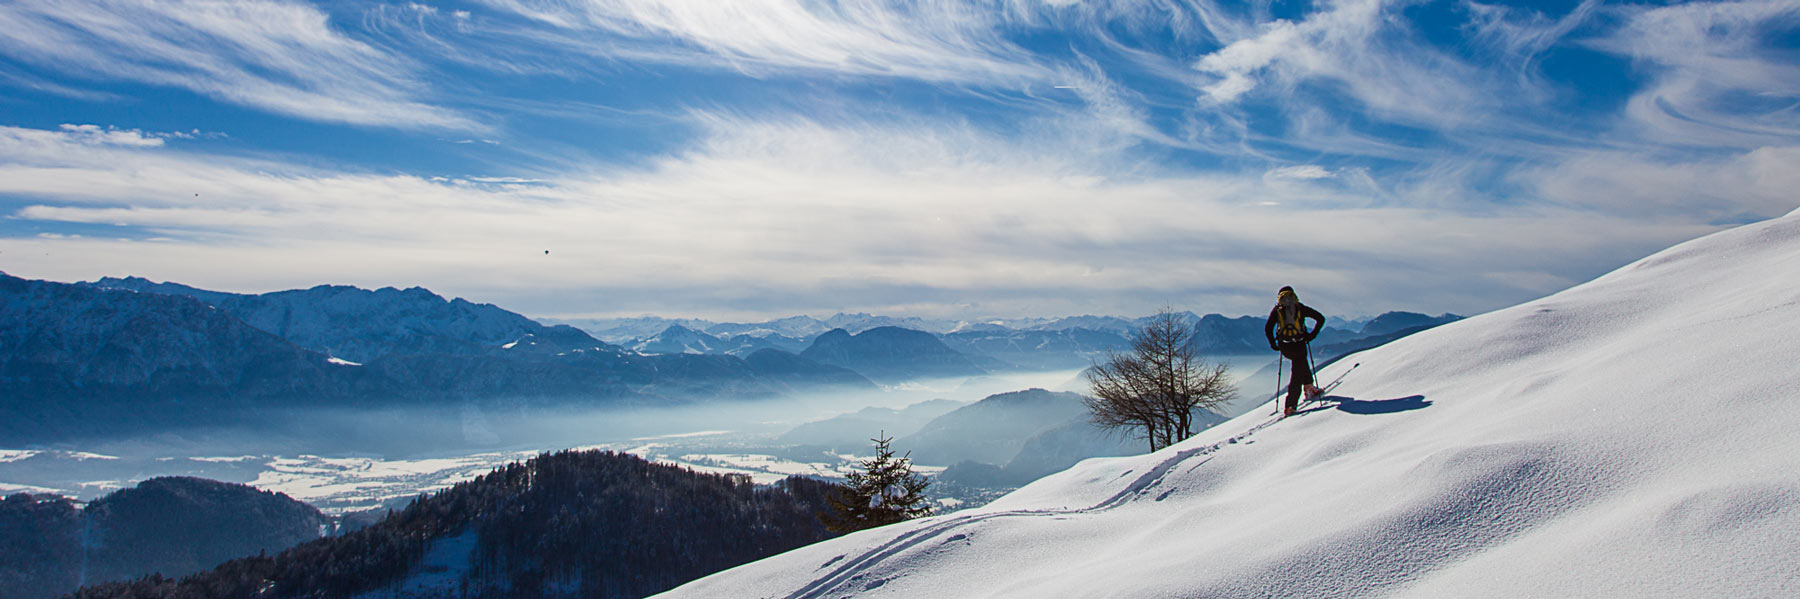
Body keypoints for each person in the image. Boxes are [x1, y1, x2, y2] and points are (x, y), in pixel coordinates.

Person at [1264, 285, 1325, 417]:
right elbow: (1320, 318)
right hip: (1299, 343)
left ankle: (1309, 387)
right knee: (1297, 373)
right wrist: (1312, 335)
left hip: (1285, 346)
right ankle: (1290, 405)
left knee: (1300, 364)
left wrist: (1273, 344)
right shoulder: (1300, 307)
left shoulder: (1278, 310)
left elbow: (1268, 328)